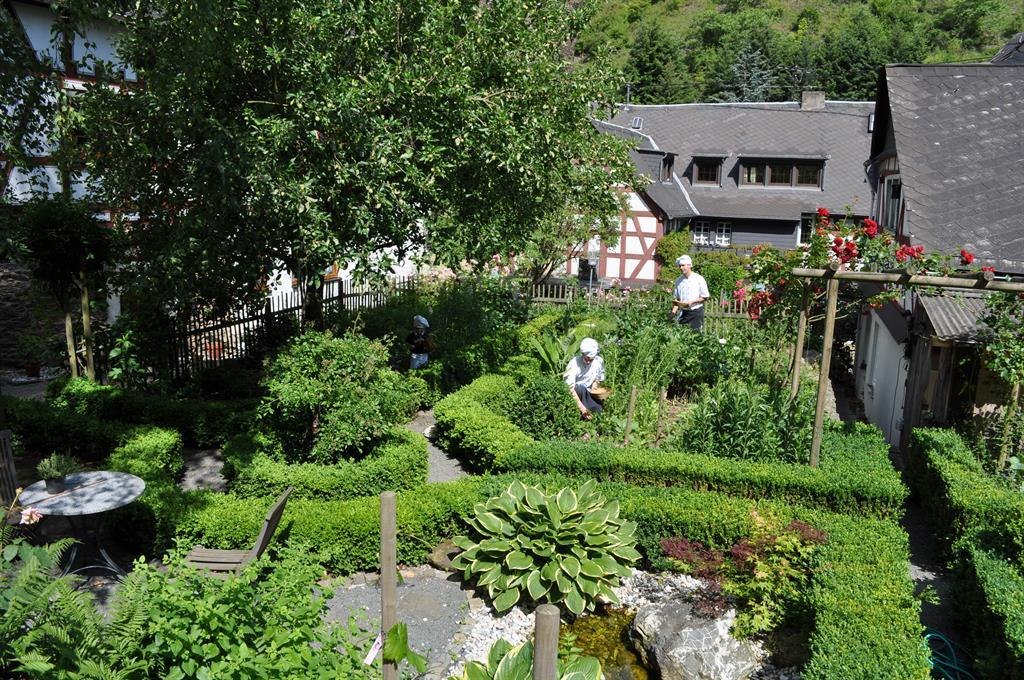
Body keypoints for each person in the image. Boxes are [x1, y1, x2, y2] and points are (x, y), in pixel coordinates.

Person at [564, 337, 606, 419]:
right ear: (583, 354)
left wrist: (595, 389)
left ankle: (596, 414)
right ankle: (586, 412)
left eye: (591, 359)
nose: (588, 361)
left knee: (600, 396)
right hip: (576, 393)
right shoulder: (574, 364)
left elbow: (598, 378)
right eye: (586, 358)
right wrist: (582, 409)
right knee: (581, 389)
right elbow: (570, 388)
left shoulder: (598, 362)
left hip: (588, 392)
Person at [671, 254, 710, 331]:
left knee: (695, 335)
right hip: (684, 313)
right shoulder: (678, 281)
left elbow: (705, 297)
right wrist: (672, 313)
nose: (681, 268)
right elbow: (677, 300)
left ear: (689, 265)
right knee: (681, 334)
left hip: (696, 313)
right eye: (680, 266)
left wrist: (692, 302)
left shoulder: (699, 279)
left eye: (683, 265)